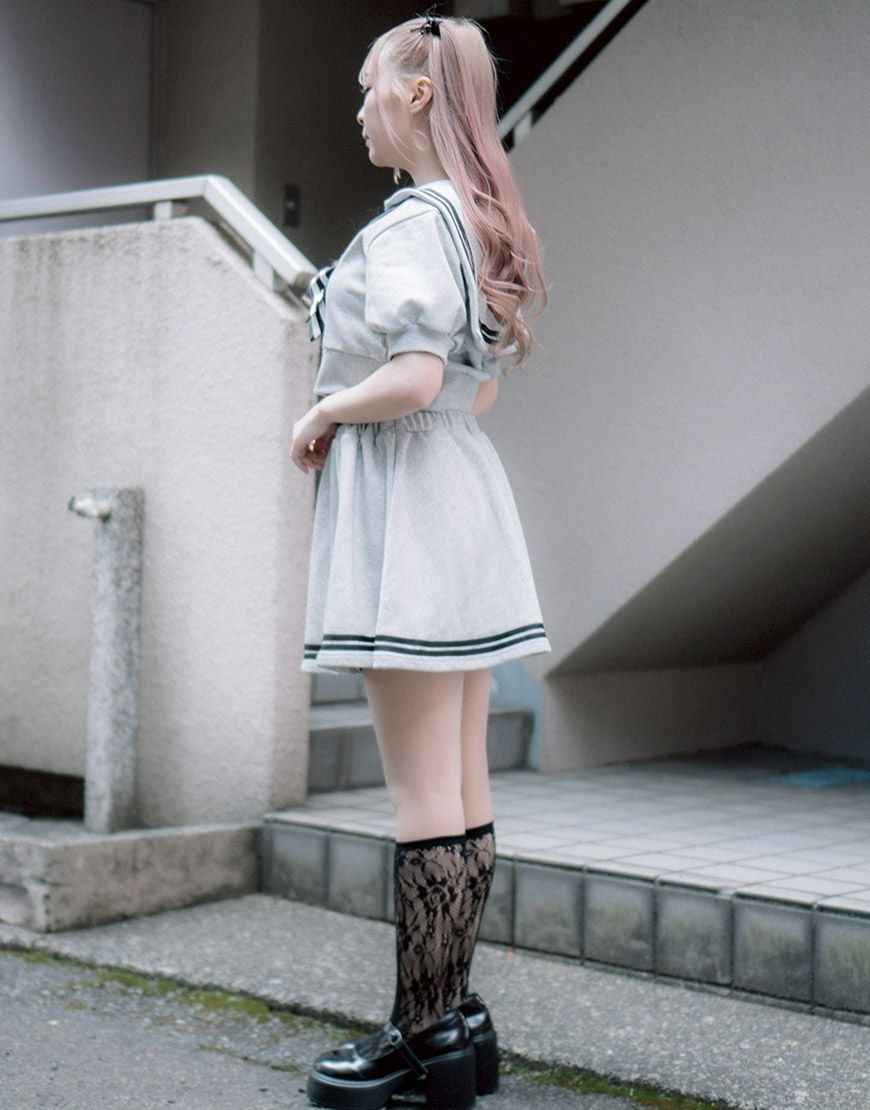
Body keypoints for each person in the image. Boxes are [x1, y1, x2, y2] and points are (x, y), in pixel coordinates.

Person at [291, 13, 549, 1110]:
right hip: (463, 501)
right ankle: (455, 1022)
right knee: (462, 779)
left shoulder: (408, 226)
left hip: (405, 511)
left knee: (421, 792)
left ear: (415, 94)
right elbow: (472, 392)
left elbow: (409, 378)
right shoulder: (477, 219)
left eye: (369, 89)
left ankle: (421, 1034)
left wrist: (321, 414)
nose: (357, 110)